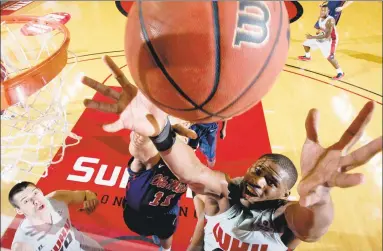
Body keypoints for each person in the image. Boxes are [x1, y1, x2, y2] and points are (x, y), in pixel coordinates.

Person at [81, 55, 382, 251]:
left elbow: (313, 228)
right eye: (259, 169)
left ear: (285, 193)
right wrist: (161, 131)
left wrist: (320, 199)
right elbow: (193, 173)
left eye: (271, 181)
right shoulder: (225, 190)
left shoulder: (286, 218)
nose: (259, 180)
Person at [123, 124, 196, 251]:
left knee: (166, 237)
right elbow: (140, 145)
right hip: (137, 214)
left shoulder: (189, 164)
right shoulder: (152, 159)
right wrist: (159, 127)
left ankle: (165, 249)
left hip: (165, 214)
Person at [8, 181, 103, 251]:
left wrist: (91, 200)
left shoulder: (57, 199)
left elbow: (87, 194)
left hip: (86, 246)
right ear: (19, 210)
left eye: (35, 193)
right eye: (26, 201)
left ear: (40, 191)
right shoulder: (22, 246)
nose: (36, 201)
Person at [298, 4, 344, 80]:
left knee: (330, 57)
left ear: (328, 11)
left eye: (325, 10)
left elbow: (327, 36)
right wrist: (319, 31)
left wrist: (313, 37)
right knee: (305, 43)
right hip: (322, 36)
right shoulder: (320, 18)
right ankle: (307, 57)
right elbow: (322, 28)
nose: (323, 12)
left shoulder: (330, 20)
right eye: (322, 10)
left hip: (331, 40)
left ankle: (340, 73)